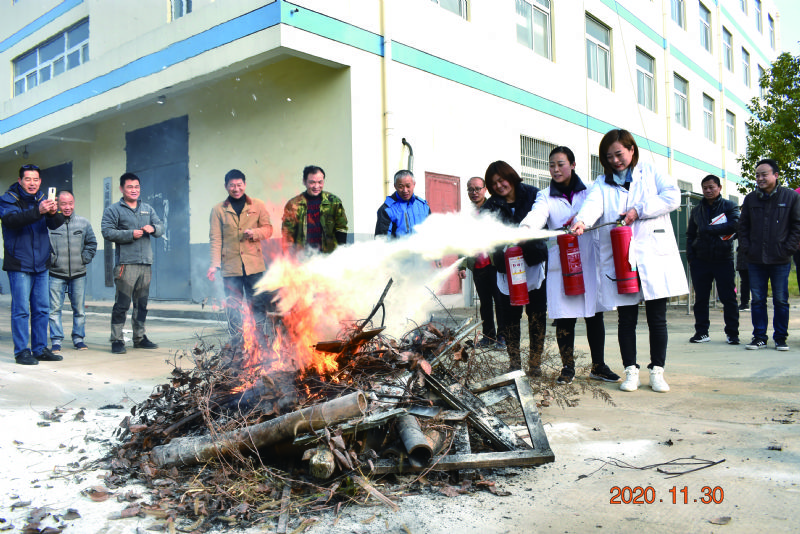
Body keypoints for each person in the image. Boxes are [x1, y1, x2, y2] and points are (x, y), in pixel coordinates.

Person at [571, 129, 688, 393]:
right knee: (627, 318)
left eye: (619, 154)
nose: (615, 161)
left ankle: (657, 371)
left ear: (631, 150)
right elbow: (592, 205)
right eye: (608, 157)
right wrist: (582, 221)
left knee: (657, 318)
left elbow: (672, 197)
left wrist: (639, 210)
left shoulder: (651, 172)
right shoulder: (602, 183)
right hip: (622, 258)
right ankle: (630, 371)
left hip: (652, 254)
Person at [521, 147, 621, 384]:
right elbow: (537, 214)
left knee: (594, 314)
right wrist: (526, 228)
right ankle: (568, 367)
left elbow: (597, 210)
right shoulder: (545, 196)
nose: (555, 169)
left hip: (588, 260)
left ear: (573, 165)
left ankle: (598, 366)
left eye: (561, 164)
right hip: (562, 263)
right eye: (551, 165)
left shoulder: (591, 190)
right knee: (565, 316)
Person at [481, 161, 547, 375]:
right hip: (506, 266)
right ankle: (515, 363)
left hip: (533, 262)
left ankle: (535, 363)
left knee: (537, 315)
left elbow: (545, 222)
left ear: (511, 176)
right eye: (494, 183)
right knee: (510, 317)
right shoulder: (490, 206)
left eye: (502, 180)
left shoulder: (533, 195)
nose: (499, 186)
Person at [0, 164, 65, 365]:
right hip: (19, 263)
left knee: (42, 309)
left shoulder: (42, 199)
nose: (32, 183)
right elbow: (12, 221)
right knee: (21, 310)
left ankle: (39, 349)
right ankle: (21, 352)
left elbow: (56, 224)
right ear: (20, 181)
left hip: (41, 263)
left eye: (36, 179)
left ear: (40, 181)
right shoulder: (7, 199)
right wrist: (39, 211)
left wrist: (53, 212)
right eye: (28, 179)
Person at [737, 159, 800, 351]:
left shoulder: (791, 197)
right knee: (757, 300)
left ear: (776, 175)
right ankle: (759, 337)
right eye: (757, 175)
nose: (760, 178)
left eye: (764, 174)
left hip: (780, 258)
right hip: (755, 259)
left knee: (780, 299)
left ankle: (780, 338)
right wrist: (747, 248)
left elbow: (797, 226)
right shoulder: (750, 199)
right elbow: (743, 226)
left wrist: (787, 249)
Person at [101, 173, 164, 354]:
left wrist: (153, 228)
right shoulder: (113, 210)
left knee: (141, 304)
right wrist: (130, 234)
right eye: (130, 187)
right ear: (121, 189)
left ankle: (140, 338)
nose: (134, 190)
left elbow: (161, 228)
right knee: (122, 304)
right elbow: (107, 231)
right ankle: (117, 339)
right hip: (126, 264)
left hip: (145, 264)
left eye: (136, 187)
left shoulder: (147, 209)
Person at [208, 169, 273, 332]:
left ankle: (259, 337)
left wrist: (255, 233)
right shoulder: (218, 210)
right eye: (232, 185)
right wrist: (214, 265)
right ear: (226, 186)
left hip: (254, 265)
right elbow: (215, 239)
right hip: (230, 266)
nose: (236, 189)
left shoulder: (258, 205)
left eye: (239, 185)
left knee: (257, 302)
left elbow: (268, 229)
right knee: (233, 304)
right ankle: (236, 339)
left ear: (245, 184)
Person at [686, 175, 740, 345]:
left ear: (719, 187)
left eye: (711, 187)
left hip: (723, 259)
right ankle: (702, 332)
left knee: (728, 298)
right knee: (701, 299)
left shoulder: (729, 206)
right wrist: (691, 257)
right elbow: (690, 234)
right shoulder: (697, 210)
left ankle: (732, 333)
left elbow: (735, 225)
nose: (708, 190)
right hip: (700, 260)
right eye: (705, 188)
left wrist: (709, 229)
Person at [457, 177, 505, 349]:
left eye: (477, 188)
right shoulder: (466, 215)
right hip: (477, 266)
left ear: (485, 189)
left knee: (500, 301)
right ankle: (488, 336)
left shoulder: (494, 208)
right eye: (470, 189)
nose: (474, 192)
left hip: (494, 264)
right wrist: (462, 265)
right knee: (484, 304)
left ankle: (502, 337)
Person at [48, 191, 98, 353]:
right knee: (54, 309)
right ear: (58, 204)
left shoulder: (83, 223)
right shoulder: (50, 224)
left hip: (78, 274)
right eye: (63, 204)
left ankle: (78, 338)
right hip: (55, 274)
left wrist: (84, 258)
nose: (67, 207)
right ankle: (56, 340)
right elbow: (43, 245)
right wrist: (51, 260)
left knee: (79, 310)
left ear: (74, 203)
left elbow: (92, 243)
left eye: (70, 203)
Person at [282, 165, 348, 254]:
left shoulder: (333, 201)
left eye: (320, 182)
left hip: (329, 255)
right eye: (312, 182)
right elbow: (287, 233)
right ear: (304, 182)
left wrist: (341, 252)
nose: (316, 186)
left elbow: (341, 228)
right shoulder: (293, 204)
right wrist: (289, 255)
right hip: (302, 256)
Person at [375, 170, 431, 238]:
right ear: (395, 186)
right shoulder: (387, 210)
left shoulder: (424, 207)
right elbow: (382, 240)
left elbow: (431, 233)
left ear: (414, 184)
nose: (405, 190)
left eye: (408, 186)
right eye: (401, 187)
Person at [736, 241, 750, 311]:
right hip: (744, 257)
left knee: (745, 282)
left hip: (745, 257)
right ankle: (744, 302)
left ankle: (745, 303)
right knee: (745, 282)